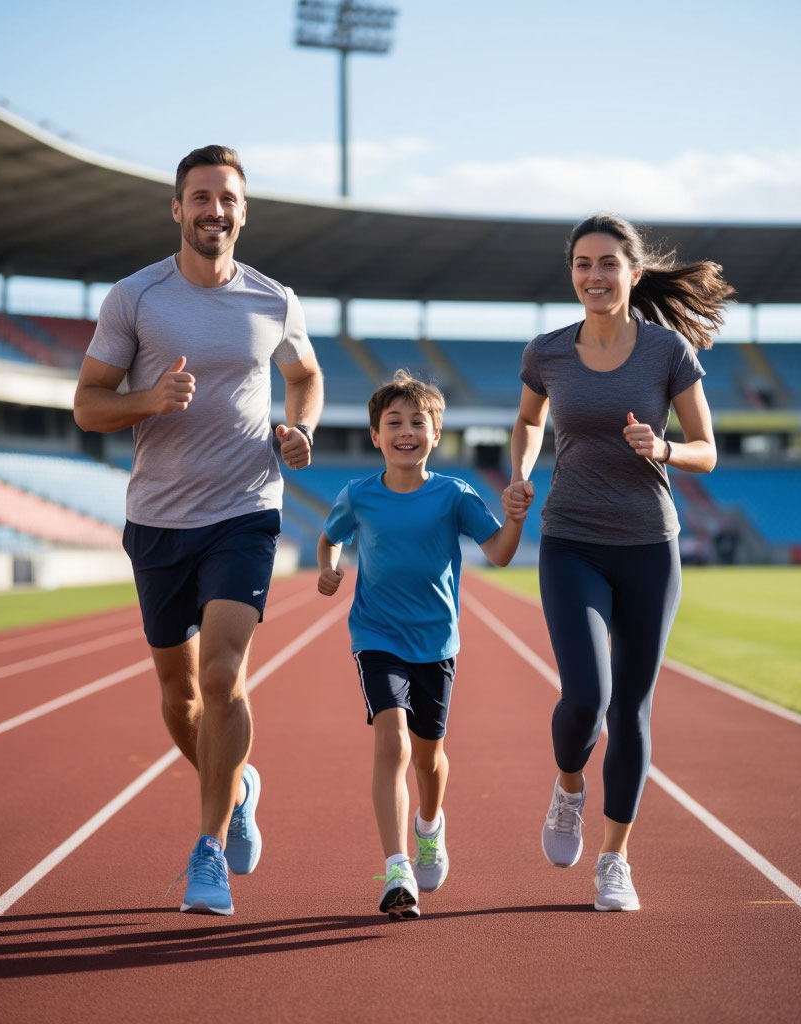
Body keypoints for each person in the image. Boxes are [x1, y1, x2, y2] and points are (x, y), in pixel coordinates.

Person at [73, 145, 323, 916]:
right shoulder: (134, 299)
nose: (215, 210)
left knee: (222, 678)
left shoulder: (273, 299)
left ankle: (208, 848)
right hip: (157, 520)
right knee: (181, 700)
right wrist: (147, 400)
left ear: (244, 212)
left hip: (245, 510)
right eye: (201, 197)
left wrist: (300, 428)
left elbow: (305, 375)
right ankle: (240, 782)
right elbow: (87, 406)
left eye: (228, 198)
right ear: (178, 209)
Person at [504, 213, 732, 912]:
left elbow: (707, 448)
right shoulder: (548, 352)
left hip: (648, 548)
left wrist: (663, 450)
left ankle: (615, 858)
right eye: (582, 264)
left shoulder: (666, 353)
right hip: (570, 539)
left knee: (630, 710)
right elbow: (529, 420)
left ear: (633, 274)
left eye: (608, 264)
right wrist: (520, 470)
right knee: (585, 700)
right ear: (570, 273)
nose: (594, 276)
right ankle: (569, 786)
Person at [317, 371, 526, 919]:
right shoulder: (359, 496)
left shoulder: (454, 495)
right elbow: (330, 535)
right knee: (394, 743)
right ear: (375, 435)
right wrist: (328, 566)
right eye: (394, 423)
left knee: (430, 759)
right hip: (376, 635)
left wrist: (517, 518)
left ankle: (429, 827)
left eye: (418, 422)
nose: (406, 431)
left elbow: (499, 553)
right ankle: (397, 866)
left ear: (436, 435)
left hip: (436, 643)